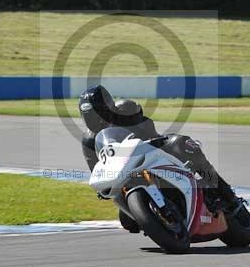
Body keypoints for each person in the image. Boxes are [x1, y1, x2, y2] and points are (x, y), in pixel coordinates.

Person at [78, 85, 240, 232]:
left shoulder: (126, 109)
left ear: (108, 106)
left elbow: (148, 128)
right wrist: (102, 188)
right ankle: (161, 221)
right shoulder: (88, 140)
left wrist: (153, 140)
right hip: (126, 173)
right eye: (88, 114)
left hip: (153, 151)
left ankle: (226, 194)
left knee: (183, 144)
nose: (94, 118)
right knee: (128, 221)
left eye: (97, 111)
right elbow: (97, 168)